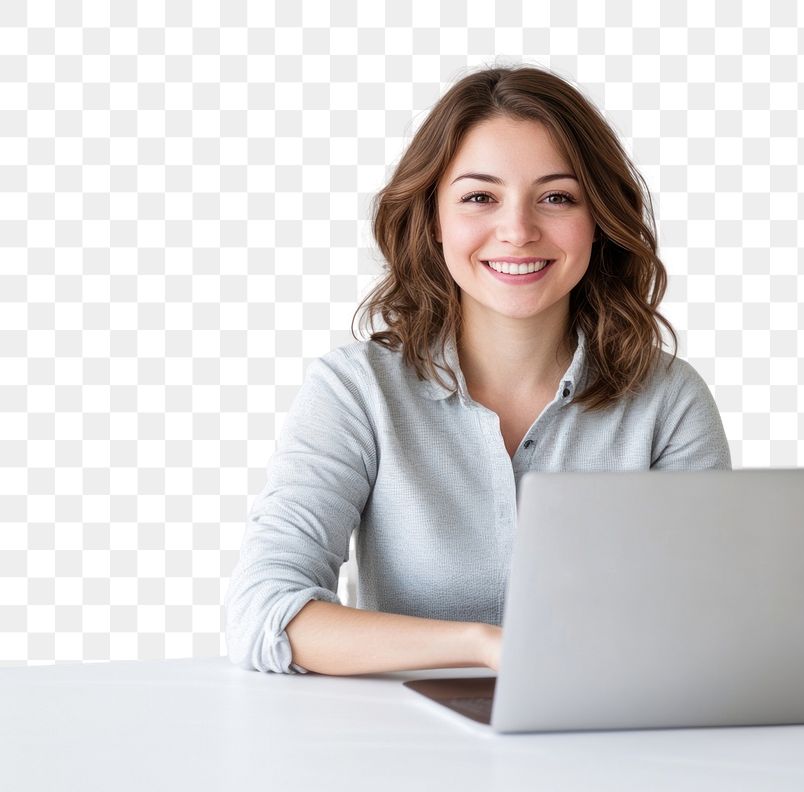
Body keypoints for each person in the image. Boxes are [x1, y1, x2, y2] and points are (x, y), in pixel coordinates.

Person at [224, 63, 731, 677]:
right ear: (434, 219)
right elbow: (265, 615)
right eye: (479, 197)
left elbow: (707, 621)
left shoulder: (669, 400)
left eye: (557, 197)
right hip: (405, 753)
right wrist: (481, 644)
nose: (517, 230)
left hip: (610, 747)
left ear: (597, 221)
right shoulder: (358, 390)